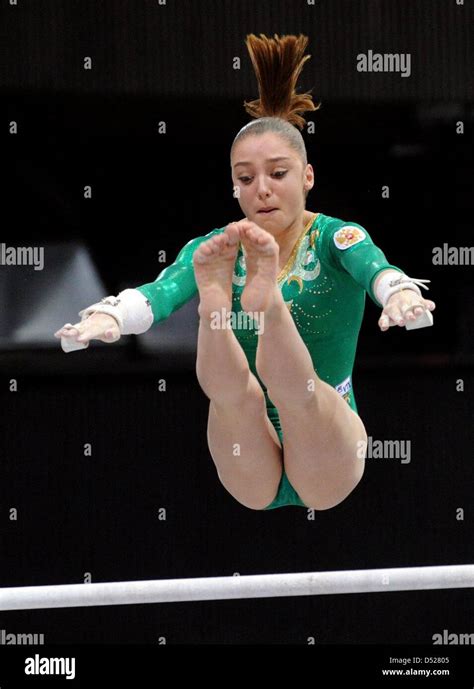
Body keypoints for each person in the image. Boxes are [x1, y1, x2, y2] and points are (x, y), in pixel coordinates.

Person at [54, 33, 436, 511]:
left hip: (326, 442)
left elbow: (377, 269)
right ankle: (217, 306)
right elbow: (158, 293)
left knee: (299, 394)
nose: (262, 190)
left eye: (278, 173)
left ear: (307, 176)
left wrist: (399, 293)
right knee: (233, 393)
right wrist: (108, 317)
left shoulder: (338, 238)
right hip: (246, 449)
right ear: (234, 185)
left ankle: (267, 305)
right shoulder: (216, 248)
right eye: (245, 178)